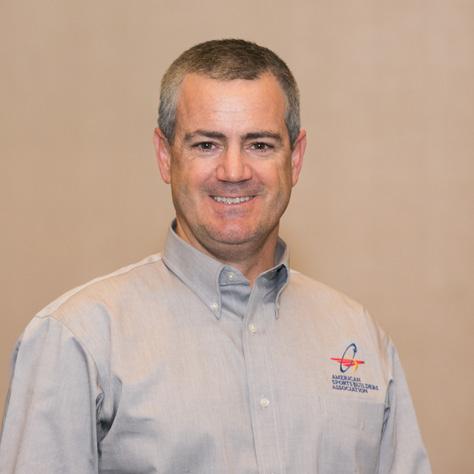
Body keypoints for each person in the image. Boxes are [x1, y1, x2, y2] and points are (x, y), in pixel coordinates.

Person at [0, 39, 431, 473]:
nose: (233, 172)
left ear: (295, 158)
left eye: (259, 145)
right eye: (207, 144)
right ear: (165, 156)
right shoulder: (78, 340)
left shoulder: (357, 335)